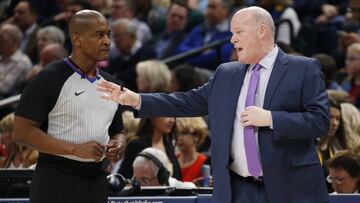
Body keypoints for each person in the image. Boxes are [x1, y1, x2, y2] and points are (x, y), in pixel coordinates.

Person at [97, 6, 330, 203]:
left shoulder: (304, 68)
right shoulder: (226, 73)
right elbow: (188, 101)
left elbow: (320, 121)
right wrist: (137, 99)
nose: (232, 39)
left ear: (262, 31)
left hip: (291, 188)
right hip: (237, 190)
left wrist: (271, 118)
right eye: (231, 33)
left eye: (238, 32)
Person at [13, 10, 125, 203]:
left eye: (109, 34)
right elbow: (22, 132)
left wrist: (119, 143)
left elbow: (118, 131)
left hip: (97, 182)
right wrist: (75, 149)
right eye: (99, 35)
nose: (107, 41)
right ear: (77, 39)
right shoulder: (48, 78)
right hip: (55, 181)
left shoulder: (111, 84)